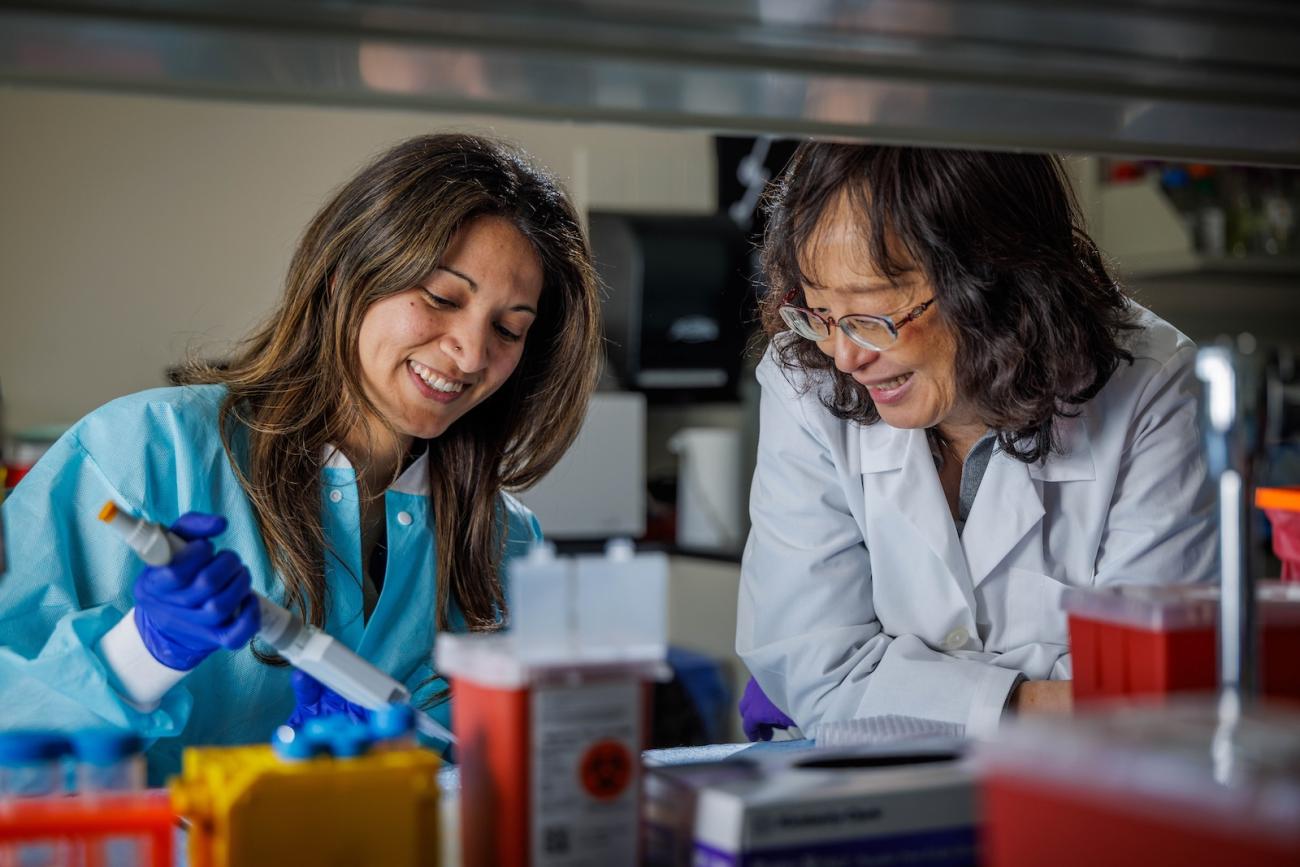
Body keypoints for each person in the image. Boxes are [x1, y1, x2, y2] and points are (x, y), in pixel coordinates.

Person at [0, 133, 601, 781]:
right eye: (441, 297)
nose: (472, 352)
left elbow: (519, 778)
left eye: (508, 328)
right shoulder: (144, 450)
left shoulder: (503, 538)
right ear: (349, 273)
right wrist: (141, 652)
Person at [736, 143, 1216, 741]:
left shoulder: (1150, 384)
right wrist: (1047, 701)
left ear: (994, 281)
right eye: (820, 312)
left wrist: (898, 691)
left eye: (872, 315)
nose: (845, 355)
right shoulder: (804, 375)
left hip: (1082, 798)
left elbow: (1152, 692)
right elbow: (815, 671)